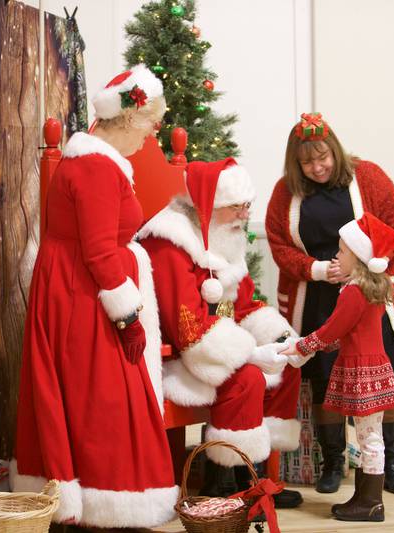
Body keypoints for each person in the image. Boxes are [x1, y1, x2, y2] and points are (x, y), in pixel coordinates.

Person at [11, 65, 179, 527]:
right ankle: (106, 501)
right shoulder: (96, 167)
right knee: (100, 401)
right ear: (127, 118)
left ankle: (97, 499)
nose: (150, 137)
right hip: (84, 297)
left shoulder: (96, 162)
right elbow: (101, 251)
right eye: (149, 125)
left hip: (81, 289)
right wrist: (126, 318)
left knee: (92, 398)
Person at [138, 158, 304, 508]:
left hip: (214, 341)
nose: (244, 215)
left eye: (247, 206)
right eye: (236, 207)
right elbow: (185, 328)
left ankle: (256, 474)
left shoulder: (223, 235)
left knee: (287, 365)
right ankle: (222, 480)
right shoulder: (170, 242)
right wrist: (250, 353)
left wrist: (280, 339)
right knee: (247, 378)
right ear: (208, 205)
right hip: (178, 354)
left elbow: (244, 303)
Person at [265, 113, 394, 494]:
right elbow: (279, 243)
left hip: (370, 293)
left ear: (335, 150)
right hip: (317, 297)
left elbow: (392, 229)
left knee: (386, 380)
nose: (317, 167)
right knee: (324, 381)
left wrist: (362, 267)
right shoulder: (286, 192)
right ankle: (332, 462)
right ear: (296, 164)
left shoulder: (370, 177)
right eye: (307, 162)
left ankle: (391, 464)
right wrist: (316, 269)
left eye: (323, 157)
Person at [281, 212, 394, 522]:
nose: (336, 256)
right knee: (367, 435)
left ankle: (372, 502)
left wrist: (303, 346)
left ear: (360, 257)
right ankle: (364, 496)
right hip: (372, 366)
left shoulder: (353, 291)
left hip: (362, 370)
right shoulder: (370, 289)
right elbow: (352, 332)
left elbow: (332, 329)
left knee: (369, 437)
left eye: (342, 251)